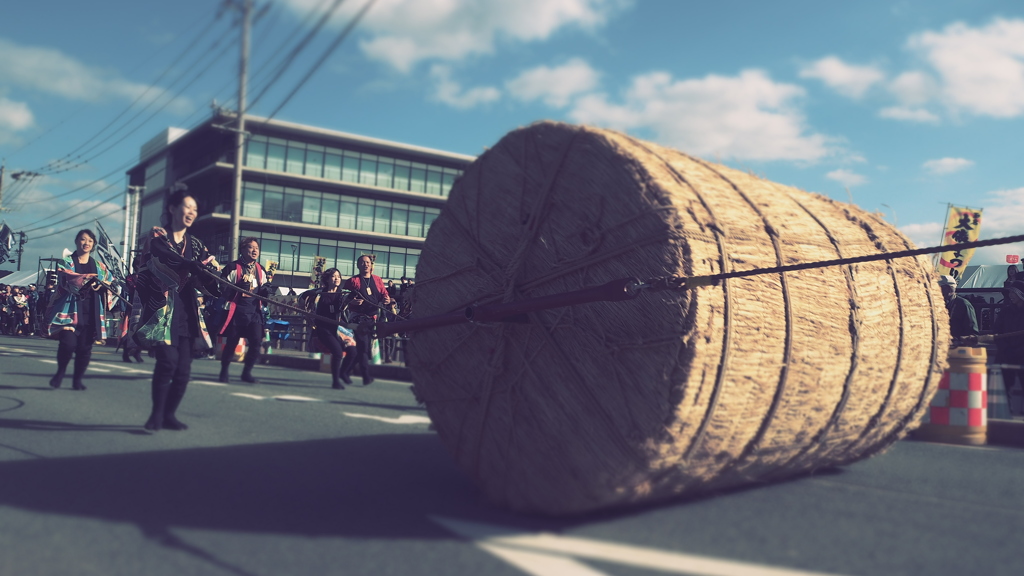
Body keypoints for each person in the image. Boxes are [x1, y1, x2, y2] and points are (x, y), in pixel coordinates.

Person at [130, 186, 221, 431]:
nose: (191, 212)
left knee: (183, 372)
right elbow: (161, 255)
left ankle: (169, 414)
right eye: (187, 207)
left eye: (195, 209)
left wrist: (214, 275)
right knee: (167, 363)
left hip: (187, 311)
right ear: (172, 208)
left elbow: (207, 277)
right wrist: (190, 264)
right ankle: (156, 415)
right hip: (162, 310)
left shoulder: (198, 244)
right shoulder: (158, 235)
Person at [44, 229, 115, 390]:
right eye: (83, 239)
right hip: (70, 309)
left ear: (94, 244)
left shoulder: (99, 266)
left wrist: (103, 285)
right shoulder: (66, 261)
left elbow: (109, 280)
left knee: (85, 349)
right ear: (76, 242)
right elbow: (66, 278)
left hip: (91, 310)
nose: (86, 243)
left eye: (90, 240)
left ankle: (77, 379)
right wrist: (89, 279)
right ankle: (61, 372)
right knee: (68, 344)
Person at [217, 236, 272, 383]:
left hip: (254, 311)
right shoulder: (232, 267)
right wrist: (236, 288)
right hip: (237, 310)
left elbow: (265, 287)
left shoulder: (261, 269)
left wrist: (266, 290)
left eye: (257, 248)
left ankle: (246, 372)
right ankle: (224, 371)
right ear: (242, 250)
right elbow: (220, 288)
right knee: (232, 343)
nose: (254, 250)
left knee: (256, 343)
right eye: (250, 247)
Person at [301, 268, 357, 389]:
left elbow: (346, 304)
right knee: (337, 352)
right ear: (326, 279)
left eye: (338, 276)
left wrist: (353, 300)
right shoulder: (319, 293)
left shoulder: (343, 293)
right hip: (323, 328)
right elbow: (302, 297)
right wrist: (307, 314)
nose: (337, 278)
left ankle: (343, 373)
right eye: (333, 276)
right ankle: (335, 381)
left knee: (353, 351)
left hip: (339, 328)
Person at [342, 254, 392, 386]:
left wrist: (386, 300)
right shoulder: (353, 281)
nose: (366, 264)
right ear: (358, 265)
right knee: (363, 347)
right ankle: (365, 376)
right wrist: (351, 301)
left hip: (372, 318)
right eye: (363, 262)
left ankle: (344, 370)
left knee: (363, 349)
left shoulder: (377, 280)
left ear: (371, 265)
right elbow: (343, 298)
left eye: (368, 262)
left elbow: (384, 295)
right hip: (358, 318)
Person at [993, 280, 1024, 416]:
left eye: (1013, 292)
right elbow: (997, 331)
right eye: (1010, 292)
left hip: (1022, 354)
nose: (1010, 295)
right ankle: (1007, 413)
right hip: (1006, 354)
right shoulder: (1005, 311)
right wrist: (1006, 348)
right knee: (1005, 385)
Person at [938, 275, 979, 343]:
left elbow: (972, 332)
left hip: (958, 346)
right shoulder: (937, 304)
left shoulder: (963, 304)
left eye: (940, 288)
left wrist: (959, 340)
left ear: (949, 289)